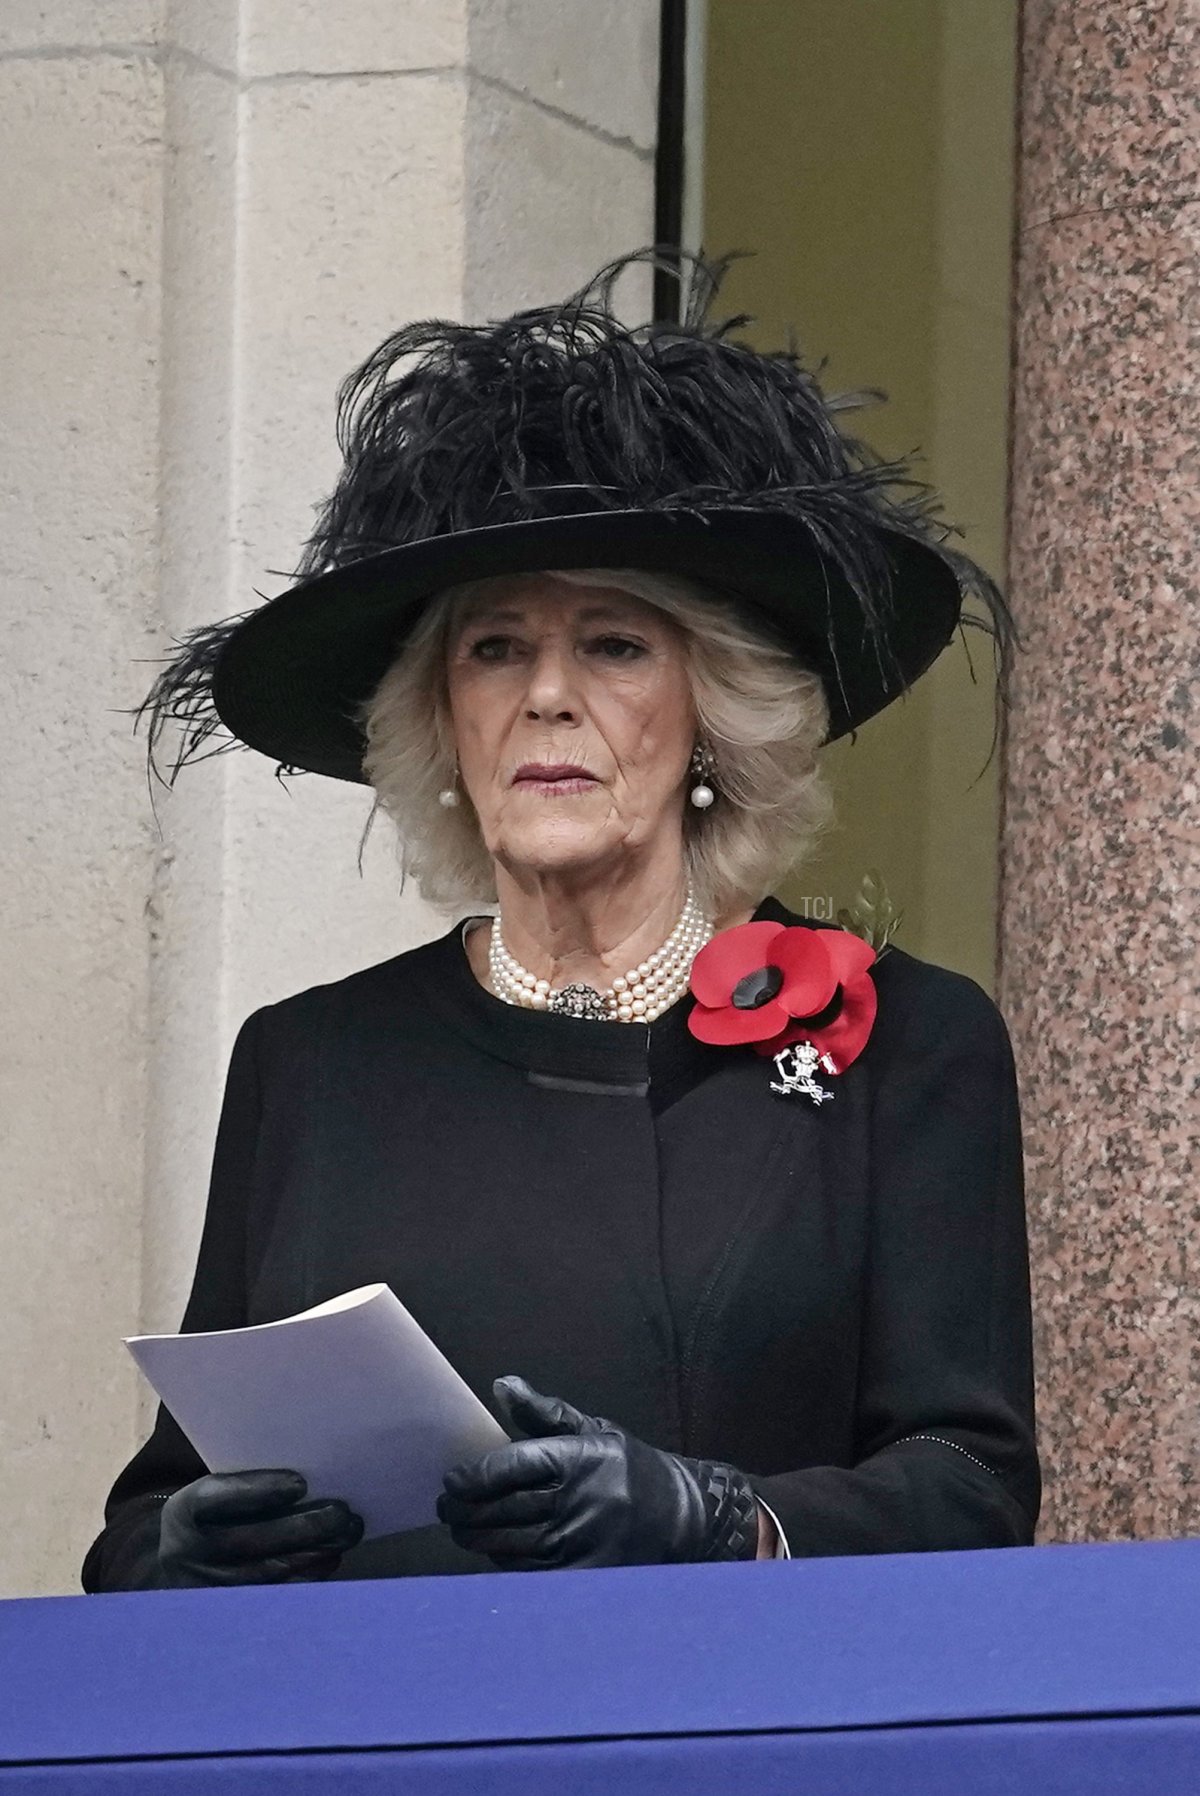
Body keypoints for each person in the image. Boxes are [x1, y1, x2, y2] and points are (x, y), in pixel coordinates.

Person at [82, 248, 1038, 1591]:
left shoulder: (908, 1047)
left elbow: (973, 1490)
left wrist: (717, 1521)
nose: (545, 696)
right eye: (494, 648)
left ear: (714, 709)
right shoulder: (310, 1063)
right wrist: (181, 1551)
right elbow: (144, 1526)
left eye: (613, 643)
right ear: (444, 725)